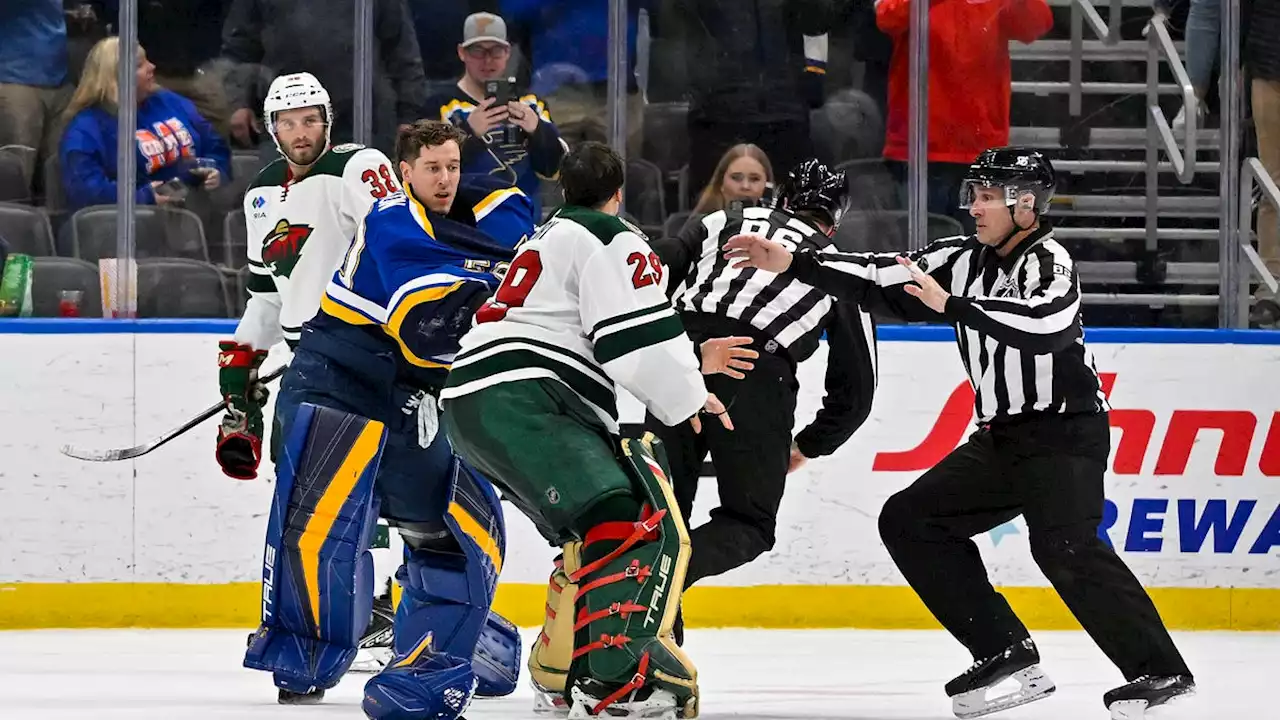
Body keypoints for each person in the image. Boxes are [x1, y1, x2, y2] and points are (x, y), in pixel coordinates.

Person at [724, 147, 1195, 720]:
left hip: (1066, 432)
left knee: (1064, 545)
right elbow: (877, 275)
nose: (973, 206)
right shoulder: (959, 257)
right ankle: (1003, 649)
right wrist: (795, 261)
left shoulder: (1051, 260)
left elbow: (1045, 326)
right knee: (911, 519)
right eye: (974, 193)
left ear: (1026, 205)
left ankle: (1160, 670)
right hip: (1002, 438)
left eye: (987, 195)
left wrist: (954, 307)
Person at [438, 141, 750, 719]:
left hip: (469, 400)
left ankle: (558, 674)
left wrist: (688, 363)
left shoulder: (543, 236)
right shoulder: (613, 236)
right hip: (525, 397)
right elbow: (632, 339)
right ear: (618, 192)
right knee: (627, 520)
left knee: (592, 528)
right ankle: (613, 675)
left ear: (563, 188)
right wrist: (690, 394)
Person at [240, 120, 532, 717]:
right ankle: (302, 658)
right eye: (431, 168)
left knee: (456, 524)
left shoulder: (505, 216)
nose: (444, 179)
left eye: (452, 166)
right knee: (318, 527)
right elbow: (426, 328)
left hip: (417, 393)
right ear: (405, 173)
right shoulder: (392, 221)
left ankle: (439, 650)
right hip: (339, 381)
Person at [215, 71, 402, 674]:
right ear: (272, 130)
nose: (301, 132)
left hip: (359, 351)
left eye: (310, 120)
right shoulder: (262, 194)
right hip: (304, 361)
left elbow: (398, 242)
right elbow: (269, 295)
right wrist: (242, 361)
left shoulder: (357, 166)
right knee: (298, 491)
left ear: (328, 120)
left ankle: (374, 607)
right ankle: (318, 609)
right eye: (288, 123)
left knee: (361, 488)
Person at [649, 159, 878, 641]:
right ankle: (664, 581)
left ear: (780, 198)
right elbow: (857, 392)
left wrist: (677, 350)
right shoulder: (839, 266)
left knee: (658, 511)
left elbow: (653, 269)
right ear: (835, 219)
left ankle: (624, 614)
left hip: (681, 358)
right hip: (757, 374)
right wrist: (810, 445)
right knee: (749, 523)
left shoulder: (723, 220)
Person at [59, 37, 231, 211]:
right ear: (116, 77)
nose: (152, 67)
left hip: (188, 214)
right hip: (129, 225)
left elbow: (214, 142)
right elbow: (85, 191)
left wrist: (215, 168)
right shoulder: (87, 128)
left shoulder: (170, 101)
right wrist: (142, 197)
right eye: (140, 65)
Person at [428, 12, 567, 219]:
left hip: (524, 224)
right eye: (477, 51)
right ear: (461, 52)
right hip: (463, 226)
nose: (487, 60)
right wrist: (468, 133)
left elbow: (555, 169)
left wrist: (537, 130)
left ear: (508, 52)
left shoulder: (532, 104)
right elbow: (427, 174)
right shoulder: (440, 106)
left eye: (496, 51)